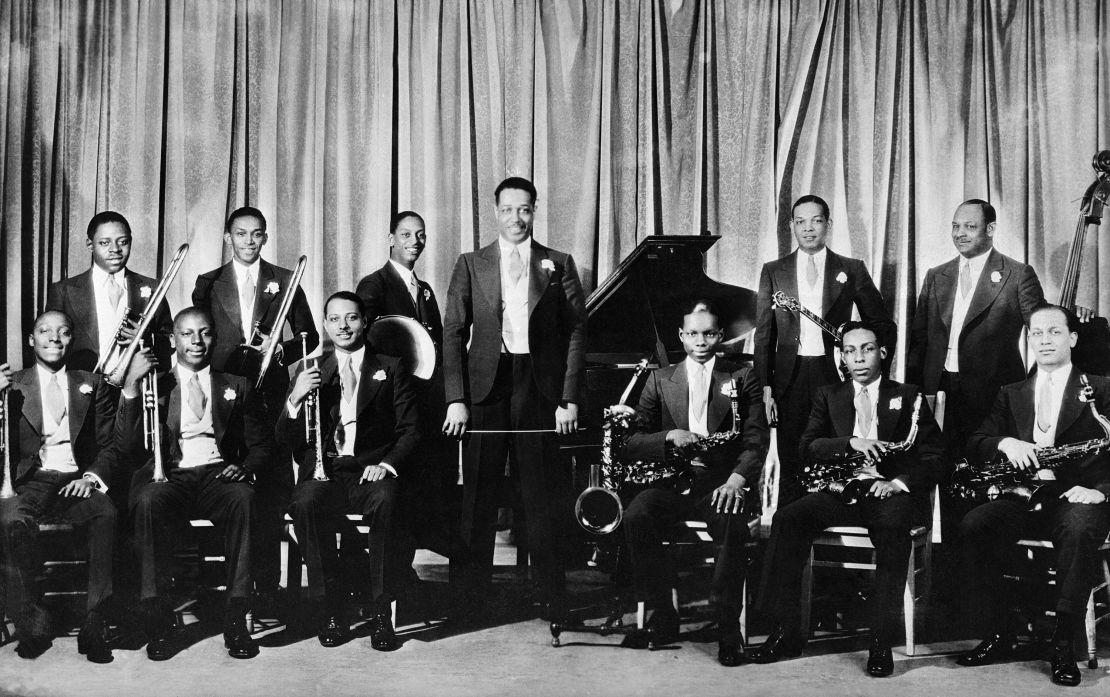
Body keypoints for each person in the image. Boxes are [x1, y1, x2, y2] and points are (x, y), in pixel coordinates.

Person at [751, 321, 945, 677]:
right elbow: (807, 446)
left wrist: (900, 483)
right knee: (787, 519)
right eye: (850, 351)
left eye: (867, 349)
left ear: (882, 352)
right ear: (841, 356)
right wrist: (850, 443)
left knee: (892, 526)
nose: (859, 358)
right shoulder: (829, 394)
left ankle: (880, 640)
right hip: (840, 489)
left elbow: (935, 457)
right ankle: (783, 629)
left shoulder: (910, 395)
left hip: (887, 490)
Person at [442, 176, 587, 620]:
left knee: (542, 492)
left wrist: (569, 397)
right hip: (486, 386)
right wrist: (456, 398)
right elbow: (452, 333)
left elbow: (578, 329)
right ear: (496, 211)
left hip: (538, 386)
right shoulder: (471, 262)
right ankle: (469, 599)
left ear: (534, 210)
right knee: (478, 495)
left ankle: (551, 597)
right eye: (508, 209)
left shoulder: (558, 262)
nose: (516, 218)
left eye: (524, 209)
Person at [955, 304, 1110, 687]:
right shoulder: (1012, 392)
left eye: (1054, 332)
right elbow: (977, 441)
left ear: (1072, 338)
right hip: (1026, 495)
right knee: (976, 524)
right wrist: (1007, 443)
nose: (1044, 341)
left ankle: (1063, 643)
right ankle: (1001, 631)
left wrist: (1101, 491)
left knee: (1077, 528)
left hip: (1080, 495)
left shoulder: (1102, 387)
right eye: (1037, 334)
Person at [117, 307, 274, 660]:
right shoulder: (154, 384)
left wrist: (246, 467)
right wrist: (130, 386)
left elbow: (262, 444)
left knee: (244, 499)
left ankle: (235, 616)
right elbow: (127, 447)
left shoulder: (237, 385)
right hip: (170, 476)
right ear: (173, 340)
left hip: (217, 474)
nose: (196, 341)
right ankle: (158, 619)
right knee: (147, 502)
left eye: (204, 333)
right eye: (187, 334)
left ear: (214, 338)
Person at [618, 300, 768, 666]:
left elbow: (756, 440)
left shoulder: (742, 377)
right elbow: (633, 441)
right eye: (693, 334)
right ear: (682, 337)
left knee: (732, 525)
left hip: (720, 483)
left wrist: (735, 480)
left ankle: (727, 627)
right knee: (638, 514)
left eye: (709, 333)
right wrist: (668, 436)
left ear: (719, 336)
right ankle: (663, 614)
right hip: (673, 483)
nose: (701, 341)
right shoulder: (659, 378)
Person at [276, 291, 420, 651]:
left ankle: (381, 610)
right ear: (325, 325)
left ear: (364, 322)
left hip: (370, 470)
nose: (343, 326)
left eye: (352, 318)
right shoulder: (310, 369)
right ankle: (331, 609)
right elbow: (283, 439)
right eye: (335, 319)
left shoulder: (391, 366)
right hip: (325, 471)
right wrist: (294, 399)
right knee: (306, 503)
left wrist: (386, 465)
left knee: (387, 500)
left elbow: (411, 430)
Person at [191, 206, 319, 609]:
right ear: (228, 237)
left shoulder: (284, 279)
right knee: (233, 485)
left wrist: (280, 350)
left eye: (257, 234)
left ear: (265, 238)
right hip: (228, 397)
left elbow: (310, 336)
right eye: (241, 234)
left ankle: (267, 584)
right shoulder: (208, 282)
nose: (249, 241)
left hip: (271, 396)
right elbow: (200, 338)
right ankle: (234, 586)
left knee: (272, 484)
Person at [754, 195, 895, 504]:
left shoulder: (852, 268)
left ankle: (831, 514)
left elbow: (882, 325)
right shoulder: (773, 270)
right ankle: (791, 524)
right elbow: (764, 336)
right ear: (791, 226)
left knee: (831, 447)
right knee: (792, 453)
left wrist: (863, 356)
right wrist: (765, 388)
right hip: (788, 378)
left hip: (833, 374)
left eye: (816, 221)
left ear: (828, 225)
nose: (808, 229)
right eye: (800, 222)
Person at [0, 311, 118, 663]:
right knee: (9, 523)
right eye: (44, 331)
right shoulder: (13, 383)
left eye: (64, 332)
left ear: (72, 340)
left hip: (74, 480)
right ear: (31, 340)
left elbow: (109, 445)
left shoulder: (91, 384)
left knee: (106, 513)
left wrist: (90, 478)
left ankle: (95, 620)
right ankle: (32, 613)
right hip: (28, 482)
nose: (54, 338)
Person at [906, 199, 1045, 457]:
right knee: (939, 464)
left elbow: (1042, 329)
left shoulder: (1017, 274)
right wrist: (916, 393)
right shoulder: (936, 275)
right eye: (955, 226)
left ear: (990, 229)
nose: (960, 233)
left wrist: (1029, 390)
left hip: (992, 395)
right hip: (939, 392)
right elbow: (919, 341)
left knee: (984, 467)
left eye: (970, 226)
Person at [355, 211, 458, 561]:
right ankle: (394, 576)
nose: (415, 241)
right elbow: (366, 339)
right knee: (399, 491)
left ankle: (405, 572)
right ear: (390, 239)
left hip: (424, 401)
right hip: (393, 404)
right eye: (406, 234)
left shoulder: (424, 290)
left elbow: (436, 347)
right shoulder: (374, 284)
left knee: (420, 488)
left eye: (420, 235)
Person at [45, 210, 173, 376]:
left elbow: (168, 340)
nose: (115, 249)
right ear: (90, 245)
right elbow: (50, 345)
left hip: (135, 389)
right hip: (83, 390)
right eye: (105, 243)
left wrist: (146, 339)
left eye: (123, 242)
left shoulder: (154, 287)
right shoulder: (63, 291)